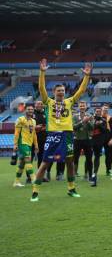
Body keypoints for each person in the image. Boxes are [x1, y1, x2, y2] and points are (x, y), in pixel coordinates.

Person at [31, 59, 91, 202]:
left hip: (68, 135)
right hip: (53, 135)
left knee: (69, 162)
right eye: (58, 91)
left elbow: (81, 90)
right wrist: (42, 72)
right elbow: (41, 89)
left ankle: (71, 188)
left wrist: (87, 76)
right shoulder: (48, 102)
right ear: (54, 92)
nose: (61, 93)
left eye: (63, 91)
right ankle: (35, 191)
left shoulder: (69, 101)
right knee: (45, 163)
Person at [13, 105, 38, 187]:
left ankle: (16, 182)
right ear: (25, 110)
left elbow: (34, 134)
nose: (30, 110)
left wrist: (36, 145)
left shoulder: (33, 121)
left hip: (29, 144)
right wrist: (15, 144)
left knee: (22, 163)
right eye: (28, 109)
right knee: (28, 159)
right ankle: (34, 179)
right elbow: (16, 133)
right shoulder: (20, 119)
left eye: (32, 109)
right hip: (22, 143)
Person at [73, 101, 93, 180]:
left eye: (83, 106)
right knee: (75, 158)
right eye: (80, 106)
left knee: (89, 158)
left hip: (87, 140)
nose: (82, 107)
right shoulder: (74, 116)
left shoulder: (89, 116)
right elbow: (74, 127)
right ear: (78, 107)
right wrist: (82, 121)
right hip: (77, 139)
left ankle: (89, 175)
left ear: (86, 107)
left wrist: (87, 121)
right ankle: (74, 174)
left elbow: (92, 127)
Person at [90, 107, 109, 187]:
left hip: (98, 142)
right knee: (88, 157)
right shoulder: (91, 119)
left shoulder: (104, 120)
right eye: (97, 111)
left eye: (99, 111)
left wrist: (99, 125)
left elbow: (106, 130)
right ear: (95, 112)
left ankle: (95, 174)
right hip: (89, 140)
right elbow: (88, 128)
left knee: (97, 157)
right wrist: (95, 124)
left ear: (101, 112)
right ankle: (88, 173)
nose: (98, 112)